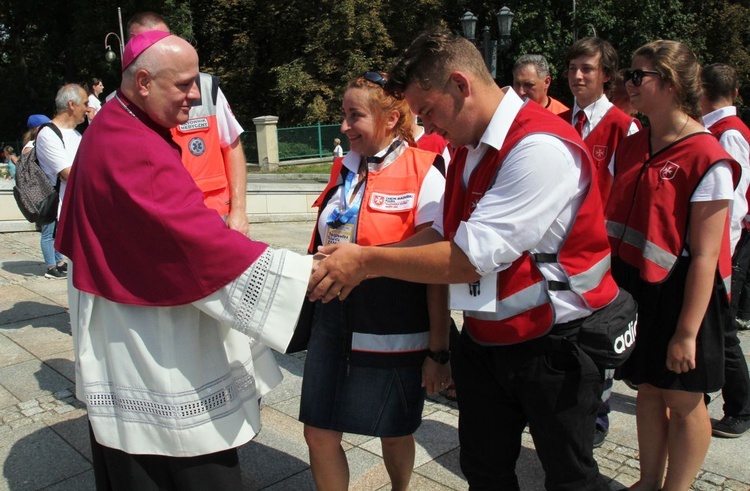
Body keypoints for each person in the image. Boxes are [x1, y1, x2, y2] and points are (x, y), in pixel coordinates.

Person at [309, 27, 620, 490]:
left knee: (570, 477)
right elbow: (443, 235)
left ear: (460, 84)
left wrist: (366, 262)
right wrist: (366, 254)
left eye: (429, 111)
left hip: (553, 345)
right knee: (484, 470)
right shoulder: (468, 147)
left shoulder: (539, 147)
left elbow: (467, 258)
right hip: (489, 337)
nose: (427, 128)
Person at [55, 31, 314, 490]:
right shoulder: (135, 150)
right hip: (151, 343)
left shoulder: (116, 125)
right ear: (143, 83)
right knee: (187, 459)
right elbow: (198, 248)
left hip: (124, 323)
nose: (198, 96)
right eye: (186, 84)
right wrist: (307, 276)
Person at [300, 71, 448, 491]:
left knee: (394, 428)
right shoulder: (343, 169)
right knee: (318, 430)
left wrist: (439, 350)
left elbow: (437, 263)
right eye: (343, 114)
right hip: (332, 320)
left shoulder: (425, 170)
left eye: (355, 116)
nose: (344, 126)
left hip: (394, 326)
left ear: (390, 119)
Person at [606, 40, 739, 490]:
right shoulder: (633, 142)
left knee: (683, 399)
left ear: (668, 82)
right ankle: (647, 481)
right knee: (645, 387)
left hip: (685, 294)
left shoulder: (706, 156)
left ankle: (676, 488)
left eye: (637, 75)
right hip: (638, 287)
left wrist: (686, 333)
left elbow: (706, 255)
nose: (628, 83)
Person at [126, 12, 250, 236]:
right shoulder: (122, 105)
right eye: (146, 44)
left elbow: (231, 147)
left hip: (214, 218)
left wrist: (239, 210)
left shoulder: (206, 88)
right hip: (161, 226)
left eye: (163, 41)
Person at [700, 63, 750, 438]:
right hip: (723, 245)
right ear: (733, 93)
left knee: (724, 331)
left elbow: (733, 204)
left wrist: (724, 259)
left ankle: (742, 408)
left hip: (727, 246)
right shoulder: (719, 130)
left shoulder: (728, 134)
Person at [561, 37, 641, 206]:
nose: (576, 76)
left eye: (586, 69)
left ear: (606, 75)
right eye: (572, 68)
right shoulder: (557, 123)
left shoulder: (625, 128)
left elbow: (630, 192)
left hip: (599, 228)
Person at [36, 84, 87, 279]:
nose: (87, 108)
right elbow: (69, 173)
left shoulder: (76, 135)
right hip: (68, 212)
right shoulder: (48, 134)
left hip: (82, 210)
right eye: (84, 103)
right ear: (71, 105)